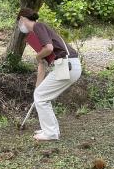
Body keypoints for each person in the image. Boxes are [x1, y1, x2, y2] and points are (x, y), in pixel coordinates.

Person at [17, 8, 81, 141]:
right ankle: (51, 130)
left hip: (67, 65)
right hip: (67, 66)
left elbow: (49, 49)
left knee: (42, 97)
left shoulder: (38, 26)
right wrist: (37, 88)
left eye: (19, 21)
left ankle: (50, 133)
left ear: (22, 18)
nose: (19, 25)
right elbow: (42, 64)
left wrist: (37, 56)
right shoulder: (37, 35)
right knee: (41, 95)